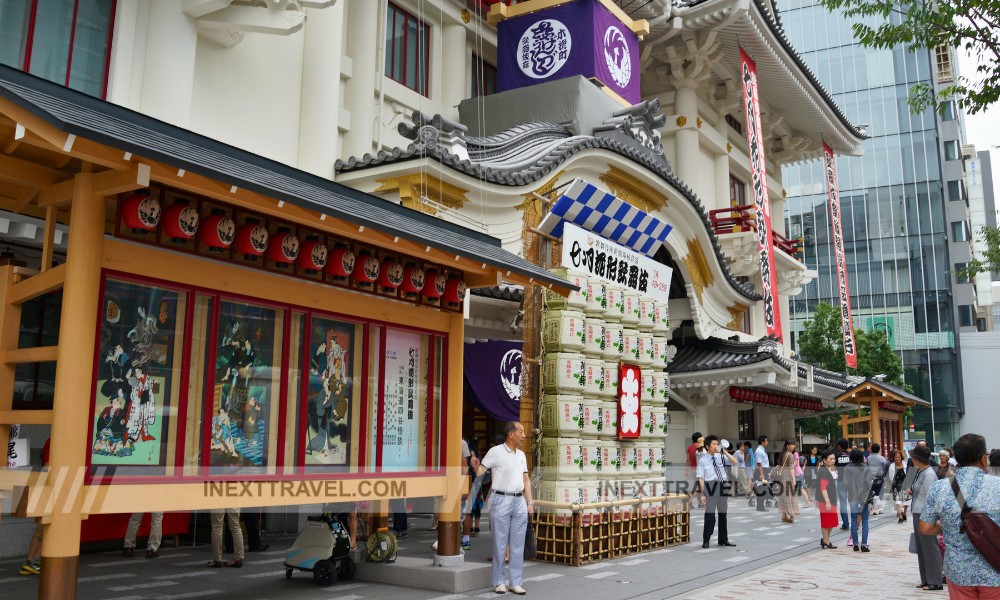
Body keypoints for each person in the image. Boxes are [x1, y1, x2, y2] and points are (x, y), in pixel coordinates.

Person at [920, 433, 1000, 597]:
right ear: (983, 458)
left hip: (958, 572)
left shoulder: (940, 488)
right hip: (995, 570)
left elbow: (925, 527)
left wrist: (950, 528)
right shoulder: (997, 485)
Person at [476, 421, 533, 596]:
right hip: (500, 498)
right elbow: (480, 472)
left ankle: (515, 582)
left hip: (519, 501)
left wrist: (529, 503)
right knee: (500, 544)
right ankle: (499, 581)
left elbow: (526, 480)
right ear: (511, 434)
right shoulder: (496, 452)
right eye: (521, 431)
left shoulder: (522, 455)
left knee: (517, 545)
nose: (524, 435)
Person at [907, 444, 943, 591]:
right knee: (922, 548)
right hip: (918, 512)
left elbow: (930, 497)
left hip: (925, 514)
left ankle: (935, 581)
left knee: (930, 547)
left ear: (918, 459)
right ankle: (926, 579)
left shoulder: (928, 474)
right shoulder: (921, 472)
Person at [696, 435, 738, 549]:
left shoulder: (721, 456)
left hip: (722, 485)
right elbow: (701, 478)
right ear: (708, 446)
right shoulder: (703, 460)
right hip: (711, 486)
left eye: (717, 444)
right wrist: (703, 494)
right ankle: (706, 539)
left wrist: (725, 452)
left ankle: (723, 539)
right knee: (710, 514)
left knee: (723, 514)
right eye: (714, 444)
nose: (716, 446)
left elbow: (735, 462)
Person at [19, 438, 49, 576]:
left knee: (45, 529)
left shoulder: (52, 441)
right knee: (43, 528)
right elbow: (48, 466)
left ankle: (34, 561)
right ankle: (30, 561)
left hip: (50, 489)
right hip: (50, 490)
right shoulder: (54, 442)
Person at [845, 448, 874, 552]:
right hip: (864, 496)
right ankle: (864, 544)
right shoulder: (866, 468)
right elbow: (869, 483)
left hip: (852, 496)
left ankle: (855, 544)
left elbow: (845, 483)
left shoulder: (847, 468)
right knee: (865, 520)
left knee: (853, 519)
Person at [816, 449, 839, 549]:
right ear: (824, 460)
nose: (833, 460)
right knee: (827, 522)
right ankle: (826, 540)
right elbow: (823, 487)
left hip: (830, 500)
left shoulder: (826, 469)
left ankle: (826, 539)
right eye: (830, 459)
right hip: (826, 501)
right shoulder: (824, 471)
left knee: (832, 521)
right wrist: (828, 502)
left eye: (834, 459)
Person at [777, 441, 800, 523]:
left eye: (794, 444)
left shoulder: (782, 454)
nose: (793, 446)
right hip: (788, 477)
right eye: (791, 444)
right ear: (787, 446)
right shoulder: (790, 455)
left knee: (783, 496)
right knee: (790, 496)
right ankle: (792, 515)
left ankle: (784, 515)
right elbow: (791, 468)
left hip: (781, 477)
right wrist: (794, 479)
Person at [887, 449, 910, 523]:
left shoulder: (906, 464)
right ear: (893, 458)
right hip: (896, 486)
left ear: (901, 457)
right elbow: (891, 477)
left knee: (906, 502)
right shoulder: (891, 466)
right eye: (896, 457)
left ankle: (904, 513)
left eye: (899, 457)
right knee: (898, 501)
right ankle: (900, 516)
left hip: (905, 485)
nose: (897, 459)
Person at [866, 443, 889, 515]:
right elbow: (885, 466)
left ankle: (876, 508)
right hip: (880, 477)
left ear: (871, 449)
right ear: (879, 450)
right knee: (878, 493)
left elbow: (867, 467)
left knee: (873, 493)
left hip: (871, 478)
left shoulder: (868, 458)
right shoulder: (881, 458)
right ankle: (879, 508)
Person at [835, 438, 852, 530]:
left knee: (843, 502)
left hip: (841, 480)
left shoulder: (836, 456)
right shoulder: (851, 455)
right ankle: (855, 522)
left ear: (839, 446)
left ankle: (845, 523)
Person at [754, 435, 770, 512]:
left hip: (764, 470)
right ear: (762, 442)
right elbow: (759, 464)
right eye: (766, 441)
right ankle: (760, 507)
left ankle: (760, 506)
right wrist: (762, 474)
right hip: (761, 471)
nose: (767, 442)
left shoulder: (762, 450)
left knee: (764, 488)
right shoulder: (759, 451)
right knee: (761, 489)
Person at [687, 432, 703, 508]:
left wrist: (686, 471)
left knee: (697, 485)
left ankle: (700, 503)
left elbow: (688, 460)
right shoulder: (701, 448)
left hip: (692, 469)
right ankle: (690, 500)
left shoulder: (690, 447)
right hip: (699, 470)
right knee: (699, 487)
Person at [793, 443, 809, 508]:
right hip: (794, 473)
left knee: (801, 488)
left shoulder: (795, 454)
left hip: (797, 473)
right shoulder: (791, 454)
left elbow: (795, 463)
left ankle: (807, 502)